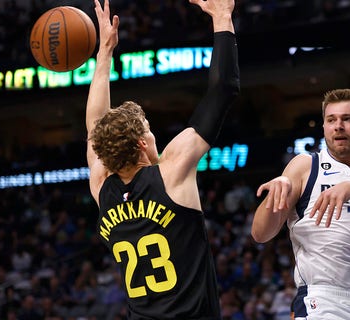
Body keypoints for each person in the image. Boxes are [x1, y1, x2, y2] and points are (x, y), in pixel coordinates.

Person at [86, 0, 240, 318]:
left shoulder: (102, 187)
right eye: (151, 130)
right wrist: (223, 16)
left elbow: (94, 126)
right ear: (144, 143)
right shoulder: (172, 172)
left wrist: (104, 54)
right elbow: (222, 90)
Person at [251, 86, 350, 317]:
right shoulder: (305, 165)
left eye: (347, 119)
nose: (338, 125)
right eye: (331, 120)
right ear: (325, 127)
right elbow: (260, 234)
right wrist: (273, 198)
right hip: (323, 298)